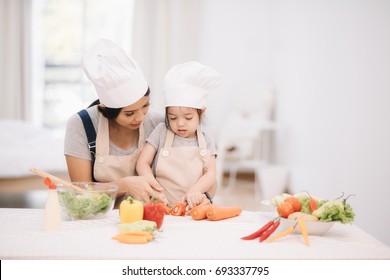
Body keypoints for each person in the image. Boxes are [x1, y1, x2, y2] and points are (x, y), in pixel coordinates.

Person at [64, 38, 166, 203]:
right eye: (129, 113)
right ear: (105, 107)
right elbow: (80, 191)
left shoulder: (158, 123)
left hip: (149, 215)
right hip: (99, 218)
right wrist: (124, 185)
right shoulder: (81, 125)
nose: (140, 117)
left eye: (146, 105)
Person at [136, 61, 222, 209]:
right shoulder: (161, 131)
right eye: (173, 118)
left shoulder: (207, 140)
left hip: (192, 207)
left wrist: (195, 191)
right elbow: (142, 163)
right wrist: (152, 184)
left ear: (202, 112)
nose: (180, 124)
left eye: (188, 118)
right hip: (161, 205)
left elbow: (210, 174)